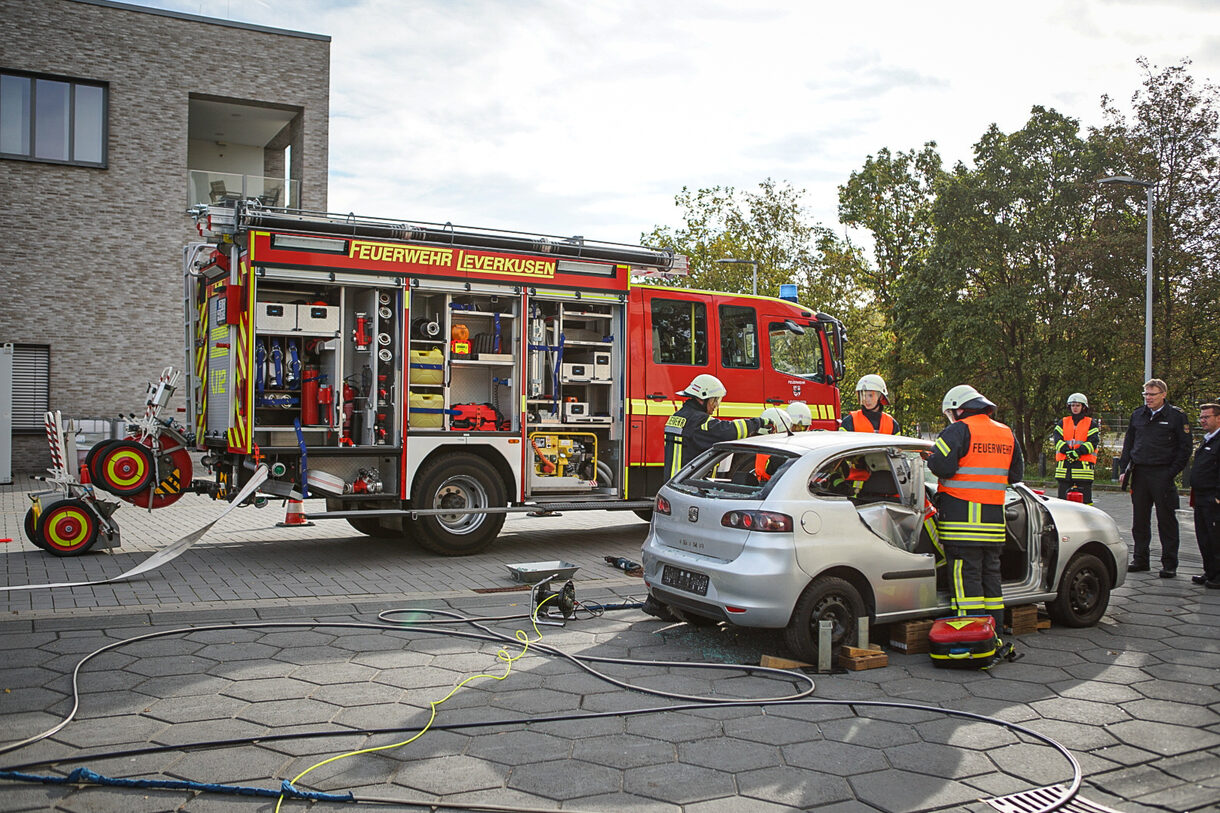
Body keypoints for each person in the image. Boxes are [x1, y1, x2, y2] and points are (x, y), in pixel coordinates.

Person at [928, 385, 1024, 667]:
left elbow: (941, 467)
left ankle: (972, 638)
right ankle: (994, 633)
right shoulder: (1006, 433)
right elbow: (1015, 475)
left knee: (965, 577)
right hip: (993, 521)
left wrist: (931, 459)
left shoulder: (958, 430)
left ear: (959, 408)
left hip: (961, 520)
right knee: (990, 578)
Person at [1117, 379, 1192, 577]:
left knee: (1166, 520)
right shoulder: (1138, 415)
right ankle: (1140, 559)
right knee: (1139, 520)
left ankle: (1169, 563)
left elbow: (1185, 449)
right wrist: (1124, 469)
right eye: (1146, 395)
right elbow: (1129, 443)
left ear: (1163, 395)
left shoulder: (1176, 416)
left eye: (1152, 394)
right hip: (1140, 472)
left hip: (1163, 473)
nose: (1148, 398)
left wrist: (1171, 473)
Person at [663, 374, 770, 479]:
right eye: (714, 400)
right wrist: (759, 422)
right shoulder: (699, 421)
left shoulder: (677, 416)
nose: (716, 406)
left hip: (674, 481)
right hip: (688, 483)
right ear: (702, 398)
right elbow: (730, 431)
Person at [1188, 403, 1220, 588]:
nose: (1203, 420)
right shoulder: (1208, 439)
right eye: (1201, 417)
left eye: (1207, 417)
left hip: (1212, 497)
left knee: (1216, 537)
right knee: (1204, 536)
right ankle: (1210, 571)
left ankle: (1218, 576)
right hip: (1200, 496)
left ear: (1218, 418)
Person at [1054, 393, 1101, 504]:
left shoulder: (1091, 423)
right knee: (1062, 502)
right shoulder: (1063, 422)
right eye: (1073, 405)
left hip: (1083, 471)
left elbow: (1093, 442)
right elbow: (1057, 440)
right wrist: (1068, 451)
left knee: (1085, 502)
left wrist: (1077, 453)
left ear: (1083, 407)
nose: (1075, 408)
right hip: (1064, 470)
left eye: (1077, 405)